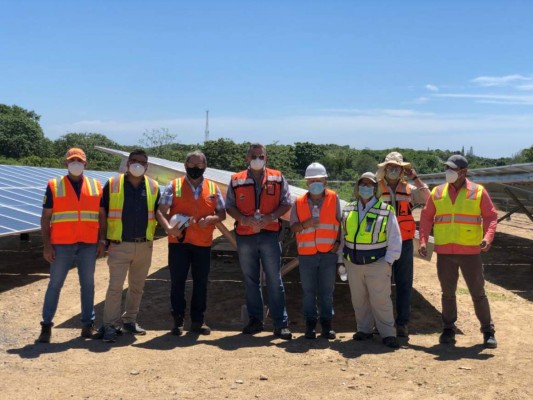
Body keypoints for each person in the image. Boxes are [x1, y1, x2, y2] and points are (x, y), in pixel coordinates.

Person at [419, 155, 498, 348]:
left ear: (464, 172)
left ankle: (488, 331)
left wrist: (488, 237)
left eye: (452, 169)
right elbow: (426, 216)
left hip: (470, 252)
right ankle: (448, 329)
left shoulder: (478, 192)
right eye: (447, 168)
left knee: (478, 293)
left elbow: (491, 216)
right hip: (445, 252)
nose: (448, 171)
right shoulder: (437, 192)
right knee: (447, 293)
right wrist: (423, 240)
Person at [225, 143, 293, 340]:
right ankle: (255, 320)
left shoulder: (277, 177)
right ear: (247, 158)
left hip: (270, 234)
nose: (257, 159)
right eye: (254, 156)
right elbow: (230, 205)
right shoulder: (236, 180)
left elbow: (286, 202)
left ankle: (281, 324)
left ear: (266, 158)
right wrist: (244, 220)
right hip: (245, 235)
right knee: (250, 280)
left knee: (275, 279)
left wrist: (270, 217)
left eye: (261, 156)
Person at [156, 150, 226, 336]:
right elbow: (161, 211)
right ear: (185, 165)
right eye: (192, 165)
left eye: (200, 165)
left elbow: (222, 214)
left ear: (205, 166)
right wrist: (168, 229)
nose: (196, 168)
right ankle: (178, 321)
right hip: (178, 242)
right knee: (177, 282)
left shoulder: (212, 188)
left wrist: (211, 219)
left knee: (201, 283)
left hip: (202, 243)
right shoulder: (174, 185)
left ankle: (198, 321)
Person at [38, 148, 104, 343]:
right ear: (66, 163)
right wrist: (47, 245)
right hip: (61, 244)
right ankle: (46, 326)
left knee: (88, 285)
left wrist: (102, 240)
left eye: (79, 160)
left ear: (86, 163)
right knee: (55, 285)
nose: (76, 163)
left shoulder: (96, 186)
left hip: (88, 244)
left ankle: (87, 325)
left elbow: (101, 216)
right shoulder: (54, 185)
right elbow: (46, 217)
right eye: (72, 160)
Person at [97, 149, 160, 343]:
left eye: (142, 162)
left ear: (147, 166)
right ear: (127, 163)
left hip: (144, 245)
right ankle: (109, 325)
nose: (137, 164)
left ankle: (130, 320)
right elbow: (102, 212)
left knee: (137, 287)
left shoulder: (153, 186)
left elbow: (159, 212)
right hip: (119, 245)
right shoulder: (113, 184)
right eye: (134, 161)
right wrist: (102, 240)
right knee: (115, 287)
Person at [337, 172, 402, 349]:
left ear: (375, 188)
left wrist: (388, 261)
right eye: (362, 184)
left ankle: (388, 333)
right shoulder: (348, 209)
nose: (366, 187)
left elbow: (395, 238)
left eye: (369, 185)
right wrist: (341, 260)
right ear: (358, 187)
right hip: (353, 263)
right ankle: (364, 329)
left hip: (377, 263)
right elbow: (343, 237)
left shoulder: (385, 210)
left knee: (381, 300)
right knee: (359, 300)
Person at [376, 151, 431, 337]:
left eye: (397, 168)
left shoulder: (409, 189)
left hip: (404, 242)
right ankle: (382, 322)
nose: (393, 170)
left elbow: (429, 198)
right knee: (381, 285)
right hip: (381, 242)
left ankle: (402, 323)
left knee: (404, 284)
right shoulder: (375, 188)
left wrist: (415, 178)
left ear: (402, 171)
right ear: (384, 169)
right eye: (390, 167)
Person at [290, 162, 341, 339]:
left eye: (319, 180)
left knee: (327, 292)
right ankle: (310, 326)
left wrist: (338, 242)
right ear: (306, 183)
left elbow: (340, 223)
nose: (315, 183)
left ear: (325, 181)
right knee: (309, 292)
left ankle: (327, 326)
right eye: (312, 181)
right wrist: (306, 224)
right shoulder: (298, 202)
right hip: (307, 256)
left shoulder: (334, 198)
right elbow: (293, 228)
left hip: (328, 254)